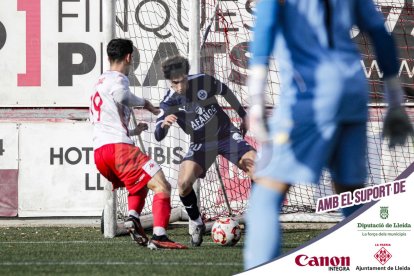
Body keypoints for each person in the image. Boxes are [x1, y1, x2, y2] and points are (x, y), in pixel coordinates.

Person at [244, 0, 413, 269]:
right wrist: (394, 99)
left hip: (309, 96)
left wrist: (255, 99)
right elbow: (379, 32)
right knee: (351, 195)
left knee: (266, 193)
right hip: (353, 92)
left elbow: (265, 25)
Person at [90, 38, 187, 250]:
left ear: (108, 57)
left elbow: (104, 121)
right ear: (129, 57)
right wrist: (146, 104)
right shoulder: (118, 78)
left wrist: (133, 131)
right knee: (162, 185)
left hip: (100, 154)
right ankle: (160, 235)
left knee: (140, 183)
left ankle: (133, 217)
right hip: (118, 150)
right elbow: (122, 95)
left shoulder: (100, 81)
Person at [154, 55, 256, 246]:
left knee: (257, 168)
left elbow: (224, 91)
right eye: (175, 83)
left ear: (186, 75)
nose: (180, 86)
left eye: (182, 80)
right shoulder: (169, 102)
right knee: (183, 184)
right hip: (201, 143)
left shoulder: (202, 80)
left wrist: (243, 116)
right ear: (170, 82)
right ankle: (197, 222)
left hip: (225, 134)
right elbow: (157, 135)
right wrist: (164, 126)